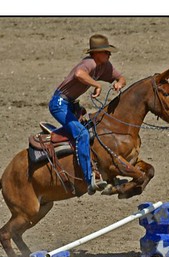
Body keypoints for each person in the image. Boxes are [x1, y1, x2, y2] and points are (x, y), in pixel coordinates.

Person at [49, 34, 126, 194]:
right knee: (82, 134)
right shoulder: (89, 63)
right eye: (105, 52)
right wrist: (96, 84)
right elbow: (79, 74)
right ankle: (89, 178)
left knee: (94, 129)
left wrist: (119, 83)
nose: (109, 54)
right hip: (59, 104)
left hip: (70, 105)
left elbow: (120, 77)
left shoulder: (105, 66)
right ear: (96, 53)